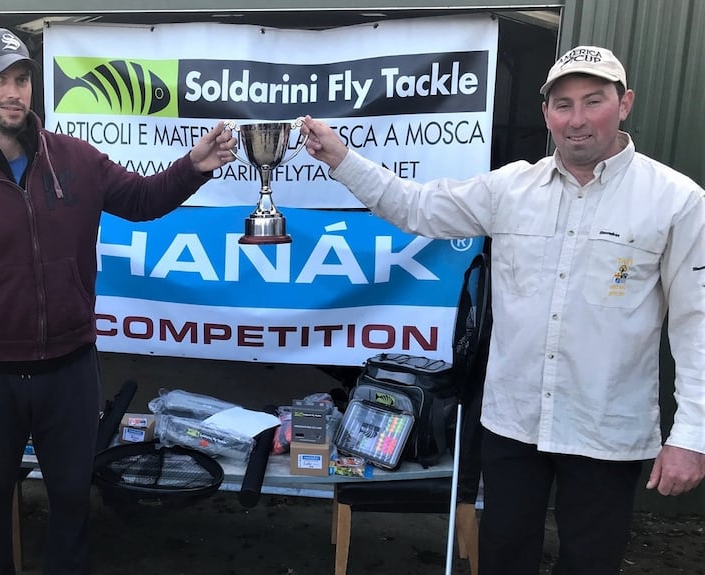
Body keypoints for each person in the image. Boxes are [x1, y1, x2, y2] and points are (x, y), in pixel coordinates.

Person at [300, 46, 705, 574]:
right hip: (514, 423)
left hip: (607, 428)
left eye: (594, 101)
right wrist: (340, 158)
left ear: (624, 104)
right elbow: (416, 207)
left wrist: (691, 437)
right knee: (502, 559)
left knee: (591, 563)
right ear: (546, 115)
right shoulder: (511, 187)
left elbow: (696, 325)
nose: (577, 120)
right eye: (563, 105)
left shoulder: (676, 200)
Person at [0, 27, 235, 575]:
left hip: (71, 370)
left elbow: (141, 199)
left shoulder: (75, 158)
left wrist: (193, 168)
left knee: (71, 502)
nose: (13, 92)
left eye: (22, 79)